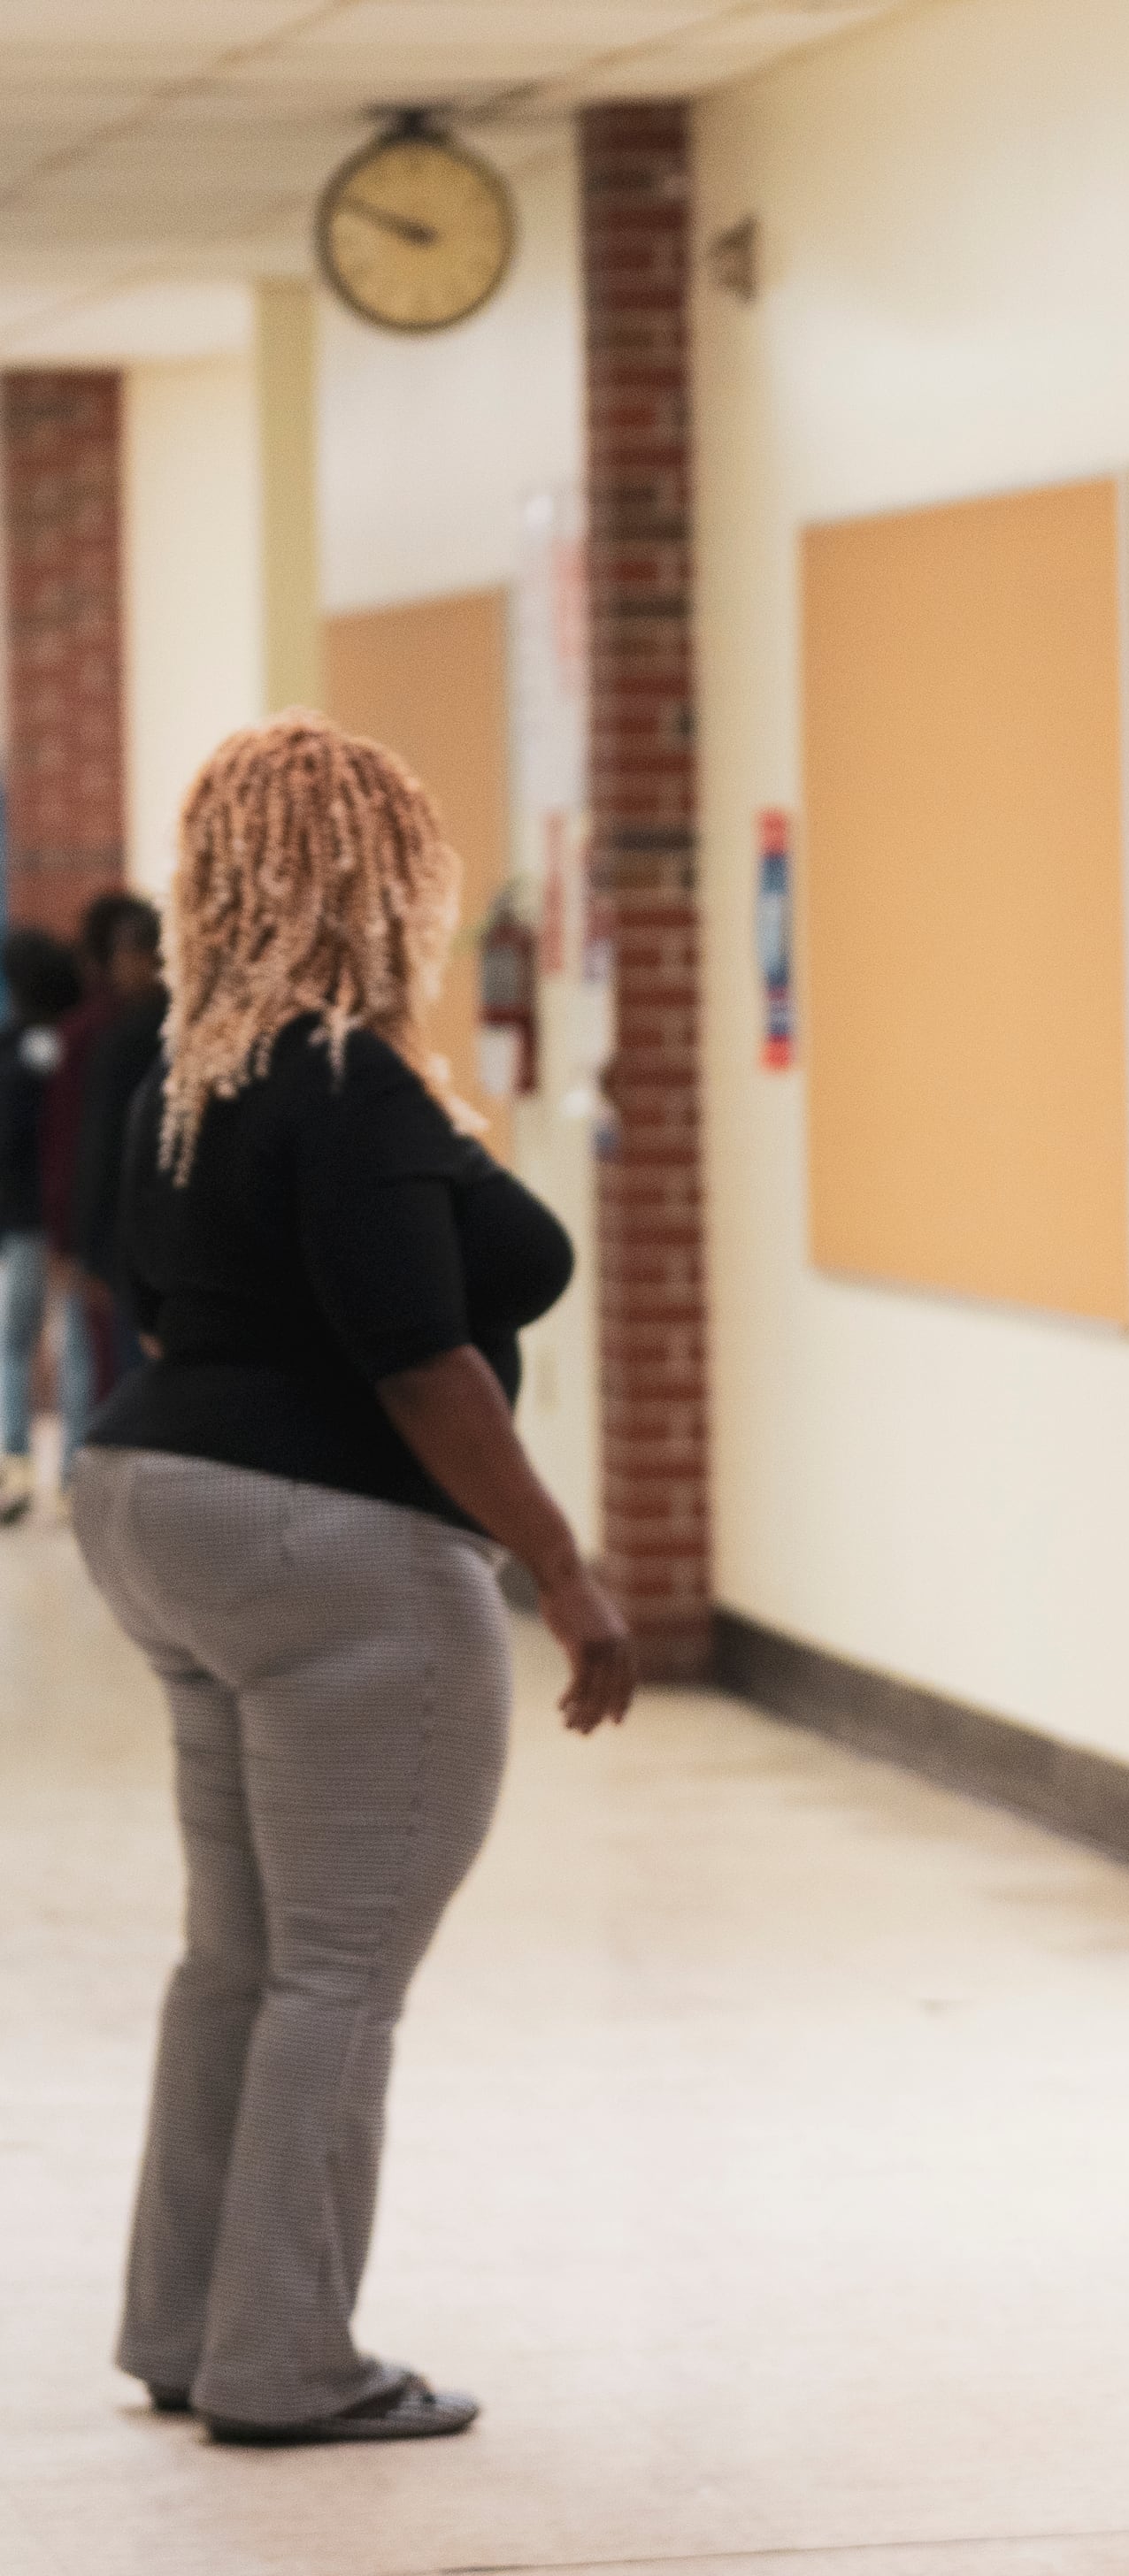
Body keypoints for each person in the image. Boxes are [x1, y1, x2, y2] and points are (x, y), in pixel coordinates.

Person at [77, 715, 636, 2448]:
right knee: (341, 1967)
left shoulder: (189, 1069)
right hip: (340, 1549)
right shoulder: (350, 1081)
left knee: (237, 1954)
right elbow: (423, 1362)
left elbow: (155, 1298)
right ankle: (288, 2360)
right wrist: (566, 1564)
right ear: (379, 878)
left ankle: (185, 2324)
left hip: (154, 1503)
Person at [63, 888, 170, 1411]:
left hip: (125, 1241)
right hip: (177, 1236)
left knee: (128, 1383)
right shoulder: (195, 1034)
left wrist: (88, 1248)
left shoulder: (119, 1038)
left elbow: (100, 1150)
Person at [1, 924, 90, 1519]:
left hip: (31, 1217)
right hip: (62, 1215)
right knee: (72, 1342)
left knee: (17, 1341)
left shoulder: (22, 1048)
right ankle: (68, 1477)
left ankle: (16, 1468)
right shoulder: (76, 1040)